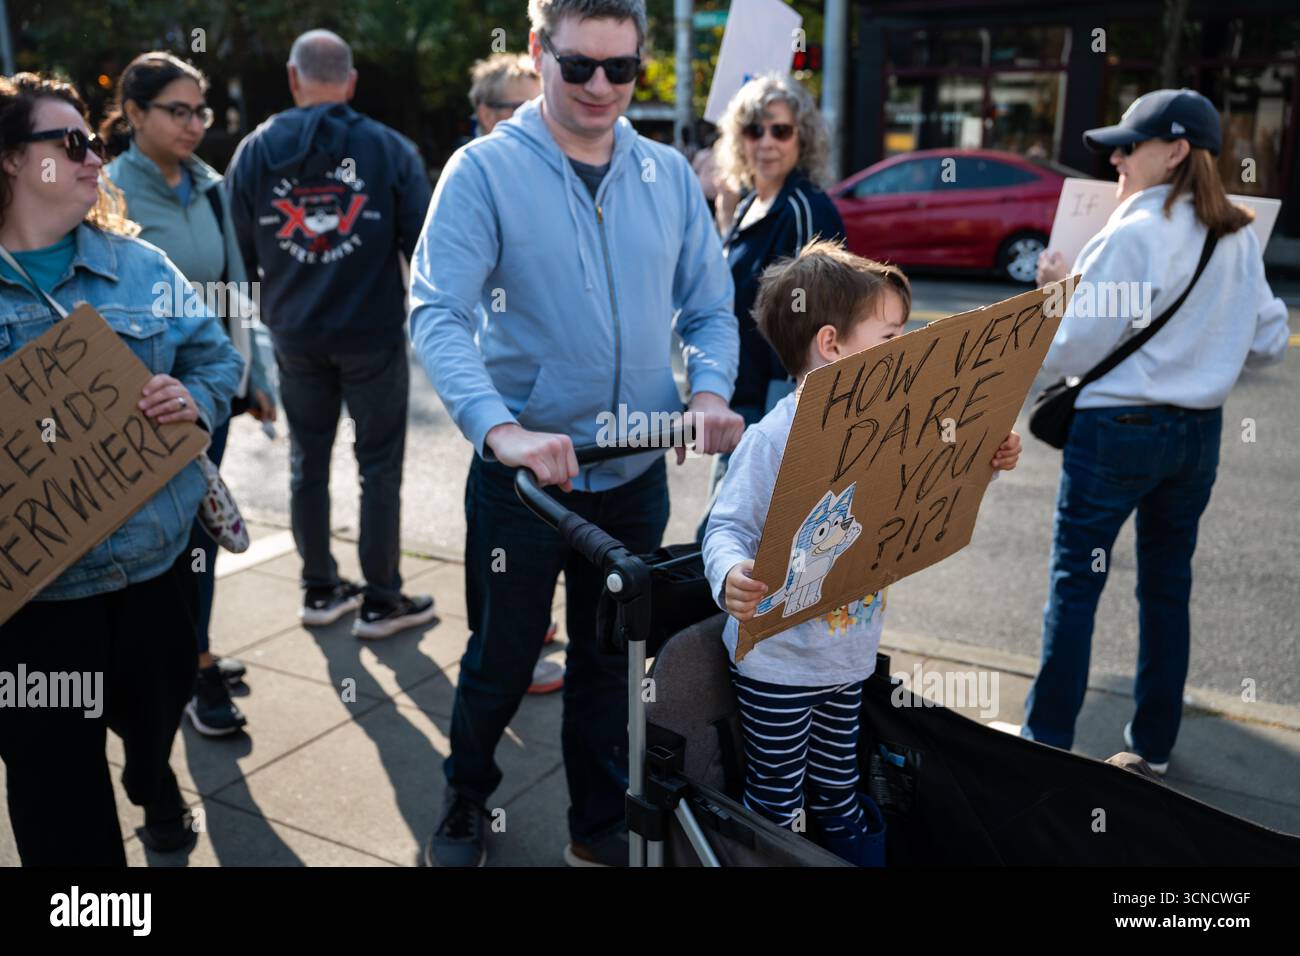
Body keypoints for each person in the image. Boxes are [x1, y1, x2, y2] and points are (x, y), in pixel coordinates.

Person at [409, 0, 743, 867]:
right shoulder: (482, 171)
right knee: (502, 657)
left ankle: (595, 823)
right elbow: (437, 312)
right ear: (537, 50)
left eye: (621, 69)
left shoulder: (667, 175)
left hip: (632, 475)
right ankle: (466, 795)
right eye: (579, 65)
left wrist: (708, 391)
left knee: (607, 666)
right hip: (525, 484)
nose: (601, 87)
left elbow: (710, 308)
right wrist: (500, 431)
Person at [703, 239, 1022, 864]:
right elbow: (725, 526)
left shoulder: (887, 425)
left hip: (848, 660)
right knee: (778, 801)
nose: (906, 350)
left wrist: (988, 462)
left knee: (841, 796)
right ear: (832, 344)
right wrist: (730, 574)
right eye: (890, 337)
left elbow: (932, 487)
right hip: (780, 667)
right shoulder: (774, 438)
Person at [0, 73, 244, 865]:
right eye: (70, 143)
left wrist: (194, 400)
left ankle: (151, 775)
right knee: (57, 797)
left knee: (150, 720)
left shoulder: (142, 269)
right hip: (35, 609)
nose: (91, 156)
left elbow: (217, 359)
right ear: (10, 159)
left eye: (95, 142)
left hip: (154, 579)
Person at [1027, 89, 1290, 772]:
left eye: (1128, 145)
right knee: (1167, 586)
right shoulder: (1233, 236)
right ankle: (1154, 746)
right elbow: (1267, 338)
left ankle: (1046, 744)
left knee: (1075, 583)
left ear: (1174, 151)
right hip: (1197, 433)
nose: (1114, 157)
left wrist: (1053, 291)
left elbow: (1069, 349)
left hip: (1118, 429)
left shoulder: (1132, 230)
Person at [226, 29, 436, 638]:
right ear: (350, 82)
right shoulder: (389, 149)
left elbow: (239, 254)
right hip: (371, 332)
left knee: (305, 461)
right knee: (379, 467)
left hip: (294, 335)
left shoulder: (256, 151)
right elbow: (424, 249)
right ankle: (380, 599)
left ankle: (319, 589)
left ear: (293, 78)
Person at [102, 51, 277, 736]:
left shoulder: (208, 183)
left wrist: (252, 376)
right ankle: (186, 671)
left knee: (200, 528)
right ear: (135, 113)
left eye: (200, 110)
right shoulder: (104, 188)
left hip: (208, 390)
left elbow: (237, 289)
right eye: (178, 110)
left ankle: (193, 655)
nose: (195, 124)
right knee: (160, 541)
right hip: (139, 404)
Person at [697, 73, 846, 539]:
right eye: (754, 130)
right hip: (742, 402)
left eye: (780, 130)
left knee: (725, 545)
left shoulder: (805, 208)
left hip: (775, 411)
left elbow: (823, 323)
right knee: (730, 547)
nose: (767, 142)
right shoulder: (749, 206)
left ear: (803, 138)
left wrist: (794, 427)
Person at [464, 52, 565, 695]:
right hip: (501, 407)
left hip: (557, 429)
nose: (536, 119)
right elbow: (445, 307)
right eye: (517, 106)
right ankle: (506, 647)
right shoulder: (476, 176)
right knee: (497, 557)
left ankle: (529, 629)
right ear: (485, 114)